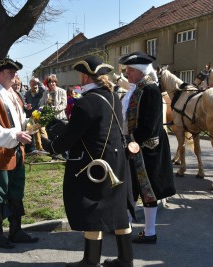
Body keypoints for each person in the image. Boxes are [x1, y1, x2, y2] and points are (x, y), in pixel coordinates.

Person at [41, 56, 135, 266]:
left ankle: (91, 261)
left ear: (84, 77)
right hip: (117, 161)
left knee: (93, 208)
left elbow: (70, 137)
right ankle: (126, 259)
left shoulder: (86, 103)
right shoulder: (112, 97)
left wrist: (49, 146)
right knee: (118, 209)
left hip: (96, 165)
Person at [0, 57, 39, 249]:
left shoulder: (15, 95)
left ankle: (16, 230)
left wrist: (31, 126)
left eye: (15, 72)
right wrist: (15, 134)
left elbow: (18, 121)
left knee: (16, 192)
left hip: (17, 152)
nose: (14, 74)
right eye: (9, 71)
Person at [119, 51, 176, 244]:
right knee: (131, 186)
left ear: (140, 71)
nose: (127, 74)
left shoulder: (150, 89)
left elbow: (150, 125)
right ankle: (124, 226)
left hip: (146, 148)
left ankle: (150, 232)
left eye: (130, 70)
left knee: (147, 189)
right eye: (127, 70)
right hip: (135, 145)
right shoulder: (136, 88)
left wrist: (132, 141)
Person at [24, 77, 47, 152]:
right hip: (32, 115)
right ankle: (39, 149)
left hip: (40, 114)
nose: (35, 86)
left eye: (36, 84)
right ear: (30, 85)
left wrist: (38, 81)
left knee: (42, 131)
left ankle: (47, 146)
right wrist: (27, 106)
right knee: (35, 132)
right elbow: (25, 102)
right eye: (33, 84)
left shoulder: (41, 92)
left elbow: (44, 89)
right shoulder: (27, 93)